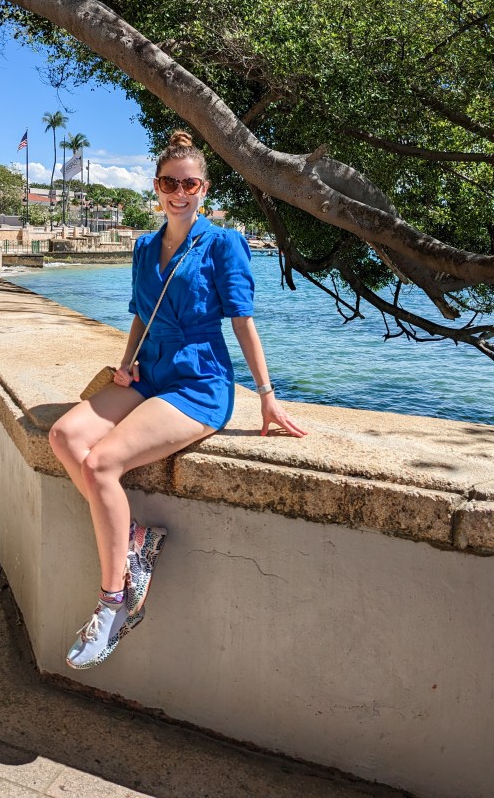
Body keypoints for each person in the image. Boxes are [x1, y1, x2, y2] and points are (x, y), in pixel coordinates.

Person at [49, 130, 306, 671]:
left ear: (204, 188)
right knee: (65, 436)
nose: (179, 192)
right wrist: (125, 361)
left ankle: (115, 601)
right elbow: (141, 314)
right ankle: (135, 536)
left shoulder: (223, 243)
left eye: (190, 183)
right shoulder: (144, 247)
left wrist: (266, 395)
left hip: (199, 380)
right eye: (170, 182)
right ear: (157, 187)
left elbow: (242, 322)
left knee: (101, 464)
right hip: (148, 369)